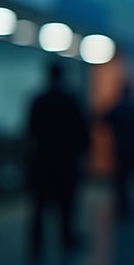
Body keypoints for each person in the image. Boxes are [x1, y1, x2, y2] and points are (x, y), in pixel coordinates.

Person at [26, 63, 89, 255]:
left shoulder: (38, 100)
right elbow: (81, 131)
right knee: (67, 201)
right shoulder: (70, 100)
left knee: (39, 203)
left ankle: (36, 241)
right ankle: (65, 236)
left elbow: (30, 130)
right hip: (65, 160)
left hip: (43, 158)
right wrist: (83, 154)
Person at [103, 84, 134, 219]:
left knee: (121, 179)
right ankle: (129, 204)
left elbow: (102, 119)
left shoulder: (118, 108)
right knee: (133, 178)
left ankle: (123, 205)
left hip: (120, 149)